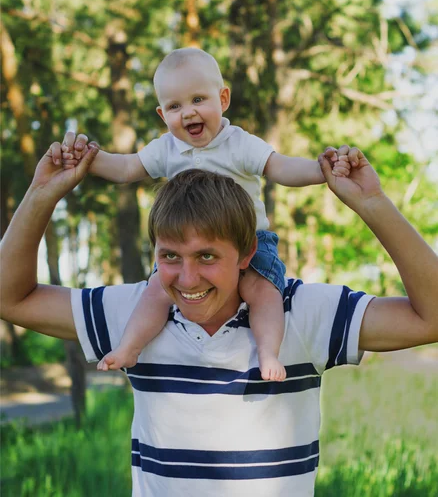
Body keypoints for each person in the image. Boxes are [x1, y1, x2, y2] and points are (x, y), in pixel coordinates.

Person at [1, 140, 437, 497]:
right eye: (169, 256)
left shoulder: (301, 312)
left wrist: (373, 203)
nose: (186, 278)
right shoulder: (134, 312)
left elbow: (430, 318)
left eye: (206, 256)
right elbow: (11, 298)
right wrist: (42, 195)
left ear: (247, 254)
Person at [60, 47, 350, 381]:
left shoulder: (238, 143)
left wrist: (322, 170)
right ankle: (130, 346)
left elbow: (281, 168)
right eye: (174, 106)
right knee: (156, 291)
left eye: (198, 100)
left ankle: (269, 352)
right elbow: (126, 168)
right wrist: (88, 158)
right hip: (191, 246)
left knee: (263, 292)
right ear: (162, 114)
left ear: (223, 99)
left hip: (249, 240)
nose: (187, 113)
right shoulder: (167, 147)